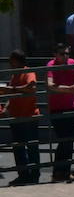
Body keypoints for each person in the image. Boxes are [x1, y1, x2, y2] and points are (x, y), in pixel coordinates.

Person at [45, 42, 74, 183]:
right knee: (63, 140)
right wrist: (69, 89)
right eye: (62, 53)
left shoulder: (72, 62)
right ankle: (57, 172)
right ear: (55, 54)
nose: (66, 56)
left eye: (67, 53)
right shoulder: (51, 65)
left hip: (71, 106)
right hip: (57, 108)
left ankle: (66, 172)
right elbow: (50, 85)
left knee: (69, 140)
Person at [0, 51, 41, 184]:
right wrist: (6, 108)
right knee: (18, 147)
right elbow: (13, 93)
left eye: (12, 60)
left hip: (28, 115)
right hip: (16, 115)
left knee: (31, 146)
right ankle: (23, 175)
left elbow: (31, 87)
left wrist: (12, 89)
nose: (11, 63)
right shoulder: (15, 74)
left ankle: (34, 175)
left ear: (18, 61)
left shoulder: (28, 72)